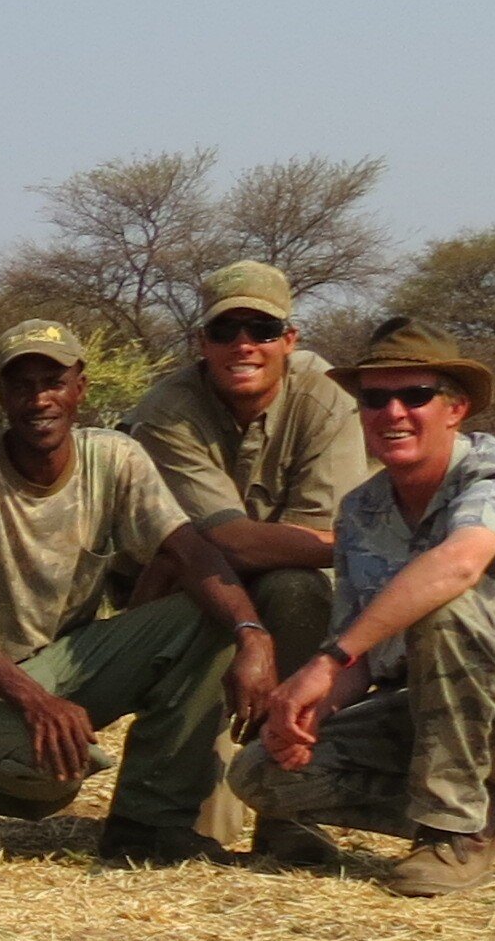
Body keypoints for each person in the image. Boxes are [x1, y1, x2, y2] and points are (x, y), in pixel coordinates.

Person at [231, 320, 495, 897]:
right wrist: (308, 711)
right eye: (375, 399)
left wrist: (325, 663)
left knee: (441, 606)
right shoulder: (362, 510)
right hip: (437, 706)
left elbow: (457, 566)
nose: (393, 412)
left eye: (415, 396)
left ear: (455, 409)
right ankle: (481, 810)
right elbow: (363, 653)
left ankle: (452, 834)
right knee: (259, 775)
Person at [0, 321, 274, 865]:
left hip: (69, 665)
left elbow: (190, 552)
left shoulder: (114, 457)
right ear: (1, 395)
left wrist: (253, 637)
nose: (38, 400)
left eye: (53, 381)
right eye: (21, 385)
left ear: (80, 388)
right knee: (53, 776)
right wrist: (35, 700)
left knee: (209, 615)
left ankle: (149, 827)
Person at [121, 261, 371, 867]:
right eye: (225, 330)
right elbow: (226, 543)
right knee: (185, 836)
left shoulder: (328, 394)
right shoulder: (168, 408)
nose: (243, 345)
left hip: (284, 590)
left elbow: (306, 542)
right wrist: (368, 549)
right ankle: (158, 808)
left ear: (290, 338)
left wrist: (309, 547)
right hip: (177, 585)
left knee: (298, 590)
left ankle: (288, 812)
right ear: (199, 342)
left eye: (260, 329)